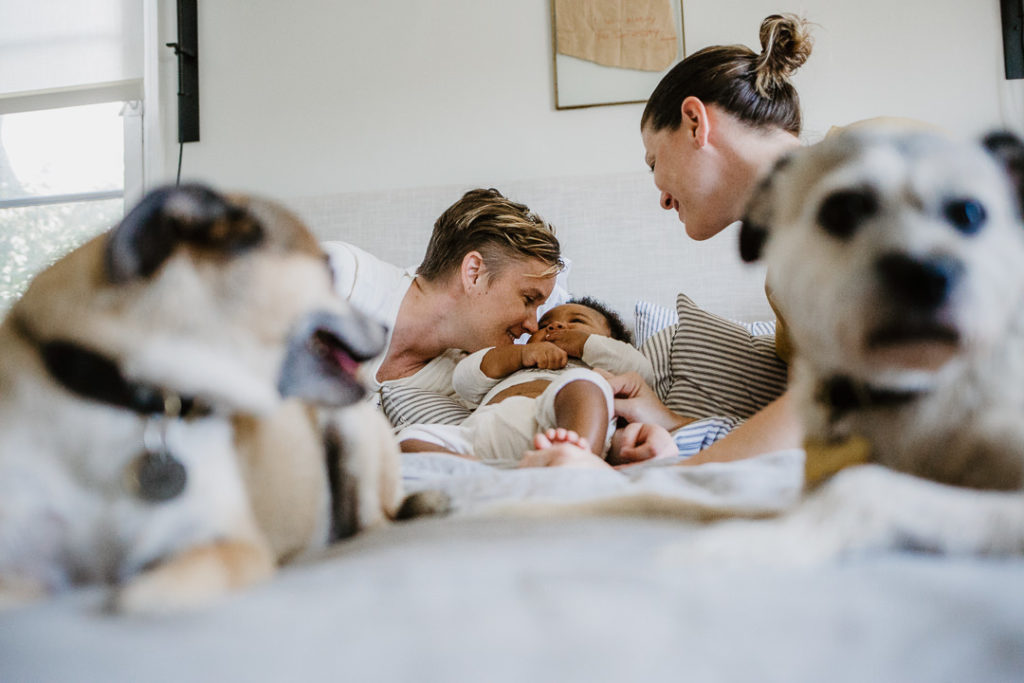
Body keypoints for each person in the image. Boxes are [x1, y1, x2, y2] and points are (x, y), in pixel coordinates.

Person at [529, 14, 814, 469]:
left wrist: (670, 476)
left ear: (695, 122)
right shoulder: (788, 250)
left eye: (654, 160)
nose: (662, 198)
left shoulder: (851, 185)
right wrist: (671, 420)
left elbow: (833, 409)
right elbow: (813, 411)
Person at [326, 187, 564, 397]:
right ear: (474, 273)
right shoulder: (341, 277)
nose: (533, 326)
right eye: (529, 299)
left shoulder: (465, 381)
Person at [396, 297, 679, 467]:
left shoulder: (597, 364)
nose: (554, 327)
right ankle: (482, 472)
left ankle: (579, 459)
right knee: (406, 440)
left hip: (560, 424)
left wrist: (585, 345)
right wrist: (520, 354)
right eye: (545, 325)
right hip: (482, 435)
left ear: (609, 342)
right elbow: (465, 380)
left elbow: (639, 370)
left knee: (585, 385)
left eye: (577, 321)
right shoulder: (517, 362)